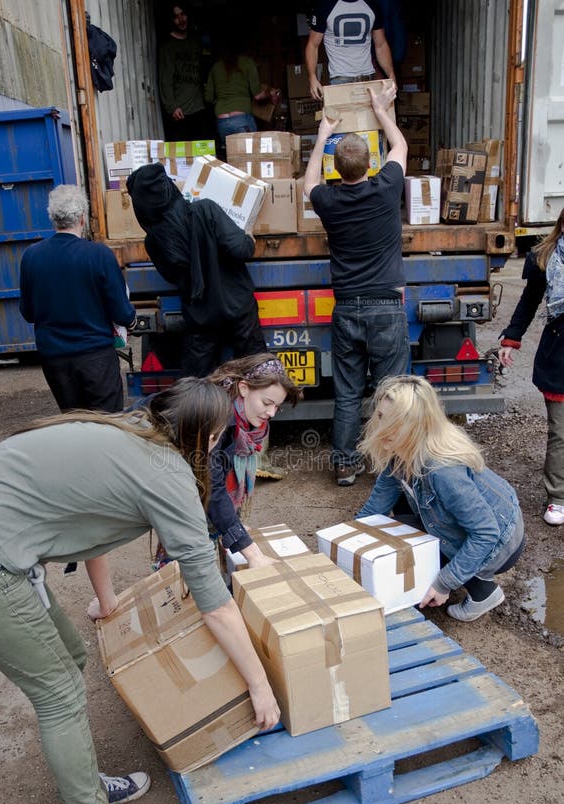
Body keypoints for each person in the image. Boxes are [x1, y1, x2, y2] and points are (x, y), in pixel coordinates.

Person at [0, 379, 280, 804]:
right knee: (59, 693)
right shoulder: (168, 473)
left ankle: (80, 788)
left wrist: (109, 601)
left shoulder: (133, 428)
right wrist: (261, 685)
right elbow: (213, 602)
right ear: (206, 434)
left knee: (71, 656)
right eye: (220, 436)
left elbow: (85, 512)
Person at [304, 80, 409, 486]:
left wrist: (322, 136)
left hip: (347, 308)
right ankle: (394, 466)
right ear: (370, 164)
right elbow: (400, 147)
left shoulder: (328, 201)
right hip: (386, 307)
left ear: (338, 168)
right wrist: (382, 111)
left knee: (347, 392)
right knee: (393, 392)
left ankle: (345, 465)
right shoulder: (386, 189)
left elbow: (308, 183)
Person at [355, 375, 525, 622]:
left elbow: (486, 533)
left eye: (395, 421)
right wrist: (343, 542)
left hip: (502, 542)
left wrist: (444, 583)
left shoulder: (443, 471)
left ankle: (483, 593)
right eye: (380, 416)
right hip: (481, 526)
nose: (382, 428)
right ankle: (446, 560)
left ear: (417, 424)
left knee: (423, 543)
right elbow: (374, 508)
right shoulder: (401, 453)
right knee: (394, 523)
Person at [126, 162, 267, 377]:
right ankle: (261, 407)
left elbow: (172, 277)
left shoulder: (154, 242)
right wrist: (248, 236)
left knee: (197, 384)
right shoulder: (205, 209)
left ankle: (206, 411)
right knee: (259, 372)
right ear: (168, 189)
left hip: (201, 319)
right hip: (239, 309)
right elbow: (241, 250)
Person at [19, 184, 137, 414]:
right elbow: (121, 311)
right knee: (108, 424)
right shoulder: (98, 254)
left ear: (53, 218)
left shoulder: (31, 256)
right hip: (96, 355)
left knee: (72, 422)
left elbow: (28, 312)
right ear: (83, 218)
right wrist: (132, 323)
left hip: (54, 359)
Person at [498, 208, 564, 526]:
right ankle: (558, 497)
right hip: (558, 355)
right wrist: (511, 339)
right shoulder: (543, 258)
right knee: (561, 432)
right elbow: (528, 301)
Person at [207, 354, 302, 565]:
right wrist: (251, 553)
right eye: (267, 403)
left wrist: (234, 527)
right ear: (243, 388)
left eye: (277, 406)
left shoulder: (244, 421)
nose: (272, 413)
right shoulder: (215, 419)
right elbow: (211, 486)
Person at [205, 30, 279, 156]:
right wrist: (270, 94)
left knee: (232, 159)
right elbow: (257, 95)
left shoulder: (216, 67)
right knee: (250, 158)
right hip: (241, 119)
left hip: (222, 122)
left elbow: (208, 97)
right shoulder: (247, 63)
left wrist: (222, 101)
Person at [306, 0, 396, 101]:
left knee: (372, 116)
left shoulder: (372, 5)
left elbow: (381, 45)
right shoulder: (325, 6)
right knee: (342, 117)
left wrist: (391, 74)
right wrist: (312, 77)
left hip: (368, 78)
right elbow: (312, 45)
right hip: (340, 80)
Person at [158, 3, 209, 141]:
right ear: (171, 20)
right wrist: (172, 107)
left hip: (198, 108)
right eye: (176, 17)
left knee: (203, 155)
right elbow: (165, 80)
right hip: (180, 111)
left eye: (183, 14)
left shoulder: (195, 42)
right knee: (182, 158)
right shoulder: (168, 47)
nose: (181, 20)